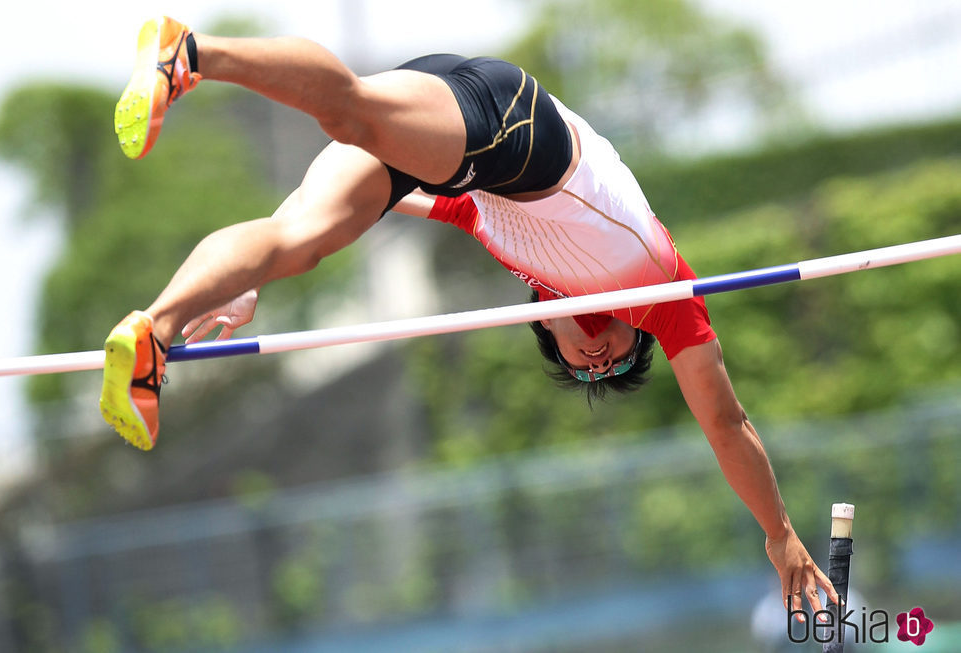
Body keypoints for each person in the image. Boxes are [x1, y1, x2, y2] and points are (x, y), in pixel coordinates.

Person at [100, 16, 837, 619]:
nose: (601, 355)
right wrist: (780, 534)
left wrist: (250, 273)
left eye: (589, 366)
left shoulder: (502, 242)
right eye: (617, 357)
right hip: (513, 123)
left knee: (295, 244)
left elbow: (394, 198)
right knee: (349, 111)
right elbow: (725, 421)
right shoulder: (665, 297)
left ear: (545, 322)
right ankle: (190, 51)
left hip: (458, 154)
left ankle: (153, 335)